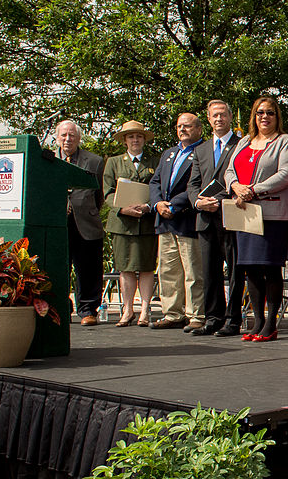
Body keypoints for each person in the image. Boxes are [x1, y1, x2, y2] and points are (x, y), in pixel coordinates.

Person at [223, 97, 288, 342]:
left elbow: (285, 174)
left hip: (272, 215)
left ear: (277, 116)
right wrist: (235, 186)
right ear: (253, 116)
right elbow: (229, 170)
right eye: (260, 112)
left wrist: (253, 190)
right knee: (251, 268)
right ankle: (256, 321)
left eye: (270, 113)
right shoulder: (244, 141)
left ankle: (271, 323)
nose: (264, 117)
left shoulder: (286, 142)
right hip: (245, 213)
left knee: (270, 267)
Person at [188, 100, 245, 336]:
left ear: (230, 117)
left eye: (223, 114)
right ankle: (213, 318)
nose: (219, 119)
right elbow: (193, 184)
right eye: (214, 115)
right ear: (209, 120)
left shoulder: (241, 144)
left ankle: (233, 319)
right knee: (209, 272)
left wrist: (218, 200)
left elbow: (241, 178)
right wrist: (198, 202)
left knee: (235, 271)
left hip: (231, 215)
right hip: (205, 218)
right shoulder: (200, 150)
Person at [149, 113, 206, 330]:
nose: (182, 129)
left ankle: (196, 315)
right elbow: (155, 182)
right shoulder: (169, 153)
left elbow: (198, 184)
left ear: (199, 129)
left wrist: (173, 205)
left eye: (187, 126)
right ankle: (173, 313)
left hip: (187, 219)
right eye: (179, 126)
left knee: (193, 272)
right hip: (164, 222)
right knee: (168, 271)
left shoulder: (203, 151)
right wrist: (158, 204)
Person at [102, 122, 158, 326]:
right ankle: (127, 310)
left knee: (146, 267)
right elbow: (108, 192)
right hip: (122, 224)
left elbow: (158, 188)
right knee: (125, 268)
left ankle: (144, 310)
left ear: (144, 139)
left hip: (146, 222)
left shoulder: (154, 161)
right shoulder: (114, 162)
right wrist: (122, 209)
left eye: (139, 136)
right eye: (131, 137)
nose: (135, 140)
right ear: (125, 140)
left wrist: (148, 206)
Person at [54, 119, 106, 326]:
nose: (68, 139)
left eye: (72, 135)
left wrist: (86, 209)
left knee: (89, 269)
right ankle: (61, 308)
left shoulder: (94, 161)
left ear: (79, 138)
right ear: (57, 138)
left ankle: (87, 310)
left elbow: (100, 195)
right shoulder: (47, 159)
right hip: (57, 223)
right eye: (64, 135)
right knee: (58, 268)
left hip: (86, 222)